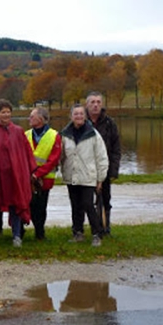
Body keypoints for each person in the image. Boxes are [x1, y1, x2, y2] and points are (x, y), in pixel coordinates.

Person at [0, 99, 36, 249]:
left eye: (8, 112)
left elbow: (26, 152)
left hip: (14, 176)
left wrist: (31, 171)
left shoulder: (18, 131)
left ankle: (17, 235)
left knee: (16, 204)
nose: (6, 115)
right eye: (3, 112)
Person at [60, 104, 109, 247]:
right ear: (71, 116)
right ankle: (78, 232)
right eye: (76, 114)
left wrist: (101, 179)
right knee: (75, 206)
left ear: (85, 116)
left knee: (88, 204)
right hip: (71, 175)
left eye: (81, 114)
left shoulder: (93, 134)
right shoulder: (64, 135)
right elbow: (61, 155)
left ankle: (97, 233)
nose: (79, 116)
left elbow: (101, 157)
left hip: (88, 176)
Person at [86, 92, 121, 236]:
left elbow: (116, 149)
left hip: (104, 167)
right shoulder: (81, 121)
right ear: (87, 105)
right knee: (87, 201)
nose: (95, 105)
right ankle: (91, 228)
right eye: (92, 102)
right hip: (86, 168)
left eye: (98, 102)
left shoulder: (109, 123)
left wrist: (113, 171)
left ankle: (106, 227)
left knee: (105, 199)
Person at [24, 107, 62, 241]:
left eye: (32, 116)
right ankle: (22, 230)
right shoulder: (26, 134)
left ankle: (40, 233)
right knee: (26, 205)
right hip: (28, 178)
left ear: (40, 119)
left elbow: (53, 159)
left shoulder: (54, 136)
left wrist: (38, 174)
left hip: (44, 179)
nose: (29, 119)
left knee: (41, 206)